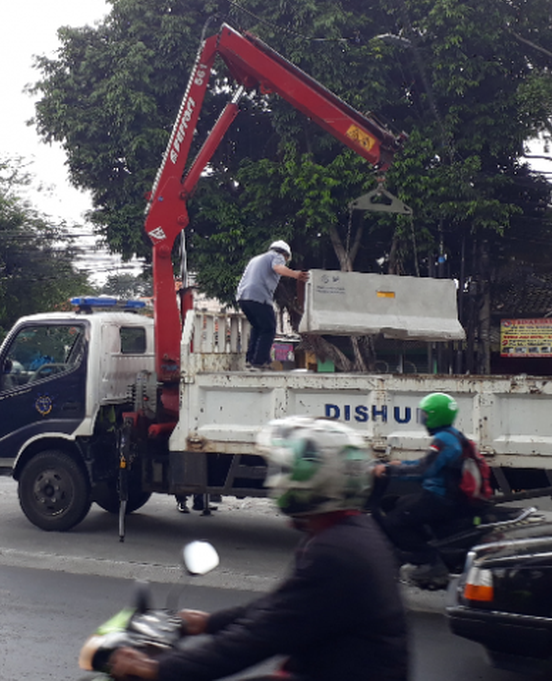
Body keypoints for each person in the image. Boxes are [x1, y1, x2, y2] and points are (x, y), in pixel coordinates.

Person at [109, 416, 409, 681]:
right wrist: (208, 622)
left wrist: (158, 670)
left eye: (287, 469)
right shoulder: (348, 531)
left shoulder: (336, 552)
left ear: (316, 480)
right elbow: (280, 605)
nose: (278, 477)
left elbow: (254, 639)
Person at [372, 392, 482, 589]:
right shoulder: (452, 435)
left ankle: (430, 561)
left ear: (434, 415)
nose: (422, 419)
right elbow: (427, 464)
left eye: (424, 415)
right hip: (442, 494)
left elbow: (424, 470)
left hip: (441, 498)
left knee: (394, 521)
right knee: (396, 503)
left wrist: (390, 470)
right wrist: (400, 463)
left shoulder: (442, 441)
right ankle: (414, 550)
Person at [235, 240, 307, 371]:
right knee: (269, 328)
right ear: (285, 254)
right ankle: (259, 362)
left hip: (243, 298)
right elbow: (278, 268)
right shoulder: (277, 256)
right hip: (259, 296)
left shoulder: (256, 259)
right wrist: (295, 274)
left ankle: (251, 360)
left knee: (258, 327)